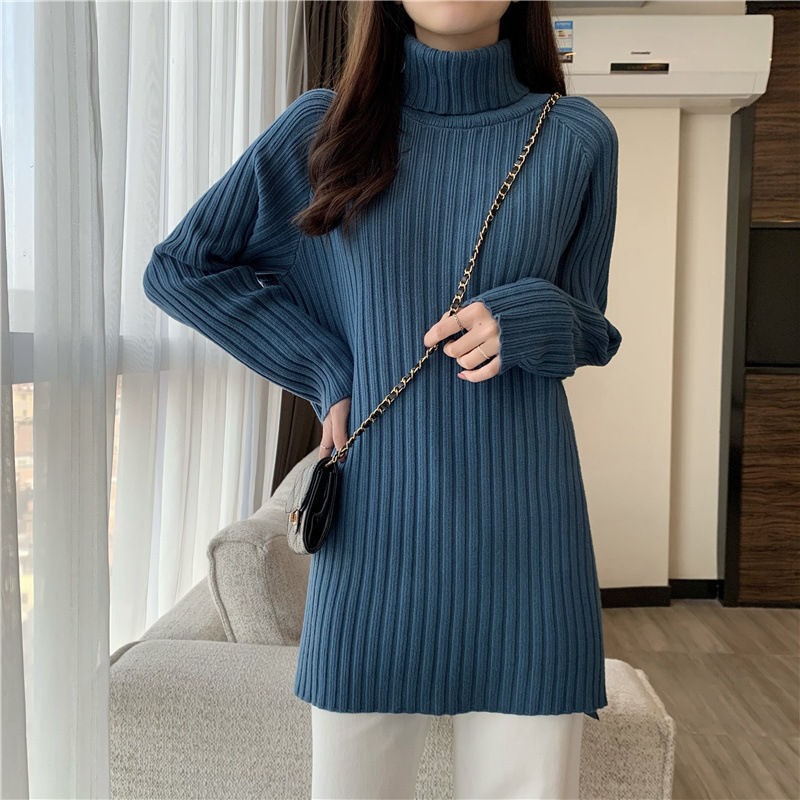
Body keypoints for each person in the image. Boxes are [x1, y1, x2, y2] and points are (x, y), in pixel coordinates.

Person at [142, 1, 623, 797]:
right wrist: (326, 368)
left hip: (528, 550)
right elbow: (182, 268)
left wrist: (530, 316)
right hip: (372, 549)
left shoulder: (576, 136)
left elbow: (592, 326)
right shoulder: (324, 127)